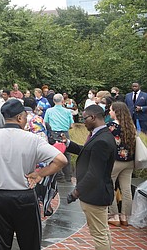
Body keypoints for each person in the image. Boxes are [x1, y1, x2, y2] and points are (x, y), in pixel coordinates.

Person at [0, 99, 67, 250]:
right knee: (30, 243)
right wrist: (39, 174)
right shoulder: (33, 139)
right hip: (25, 197)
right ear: (19, 118)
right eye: (25, 117)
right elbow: (61, 160)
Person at [65, 105, 116, 250]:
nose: (83, 122)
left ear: (93, 117)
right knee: (103, 231)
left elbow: (94, 174)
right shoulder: (102, 135)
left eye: (84, 118)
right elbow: (88, 152)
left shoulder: (101, 140)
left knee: (99, 234)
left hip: (95, 195)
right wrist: (68, 144)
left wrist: (76, 192)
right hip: (98, 193)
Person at [106, 102, 136, 227]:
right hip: (129, 161)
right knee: (126, 189)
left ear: (116, 112)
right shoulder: (131, 126)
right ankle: (125, 217)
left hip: (115, 161)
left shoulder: (111, 126)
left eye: (111, 110)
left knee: (109, 186)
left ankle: (114, 216)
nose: (109, 112)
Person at [44, 93, 74, 182]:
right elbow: (71, 125)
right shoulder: (68, 111)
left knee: (55, 154)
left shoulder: (49, 111)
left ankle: (59, 176)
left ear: (53, 101)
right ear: (63, 101)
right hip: (65, 133)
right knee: (67, 153)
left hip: (54, 133)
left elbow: (46, 122)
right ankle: (68, 176)